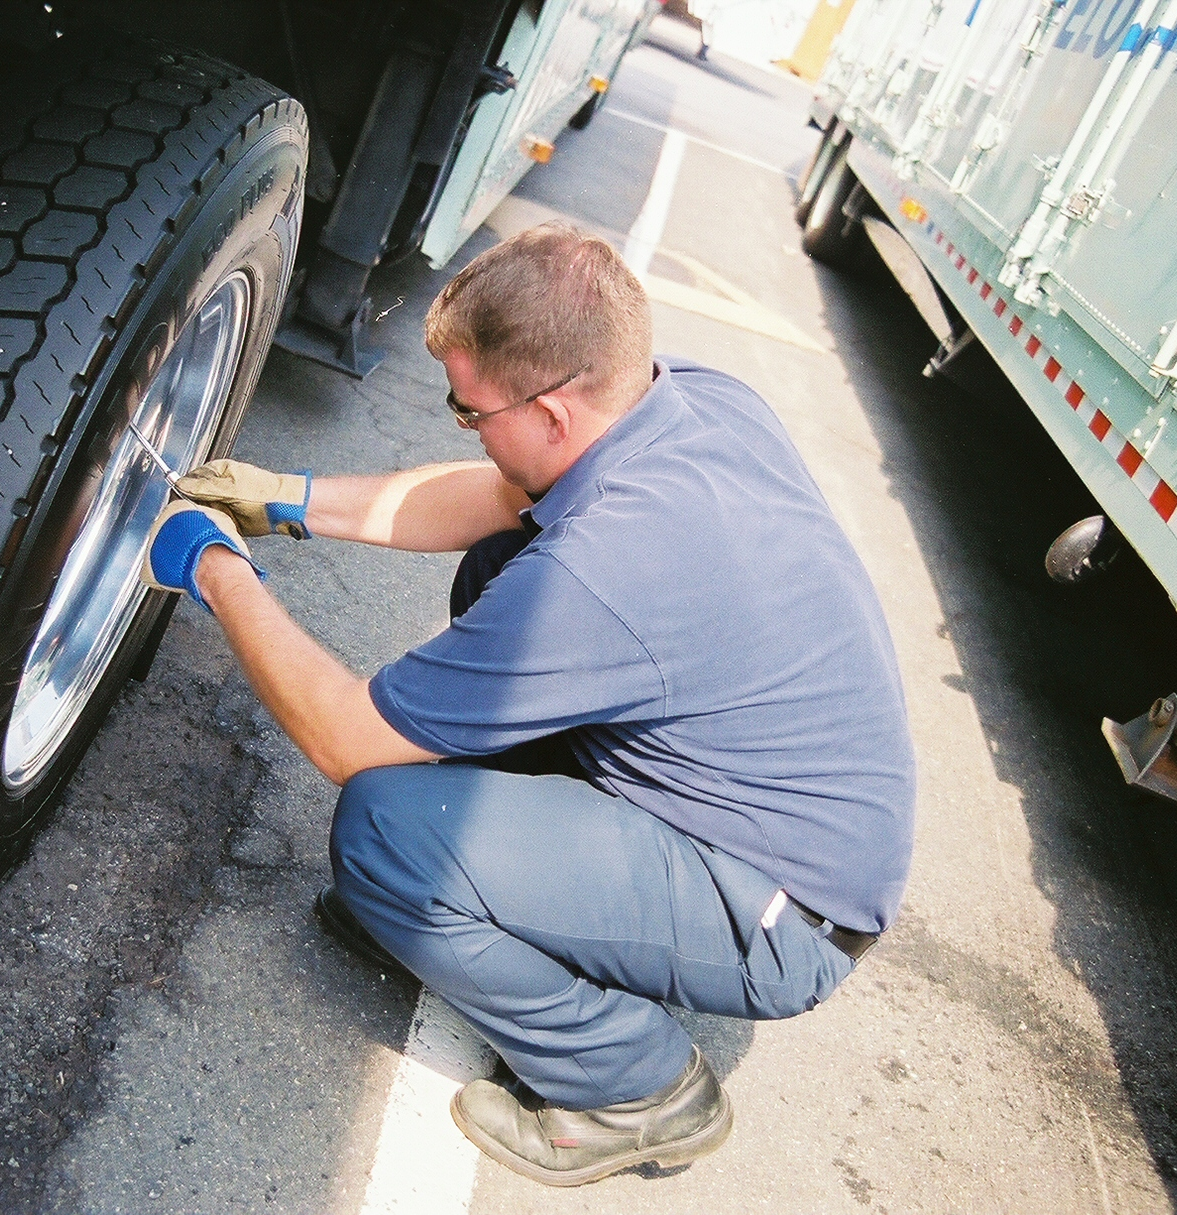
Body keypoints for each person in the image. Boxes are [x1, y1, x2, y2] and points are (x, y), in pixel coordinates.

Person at [138, 223, 915, 1187]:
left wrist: (217, 568)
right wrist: (291, 496)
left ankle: (640, 1085)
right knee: (500, 563)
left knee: (386, 833)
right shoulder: (692, 403)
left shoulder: (601, 576)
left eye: (470, 411)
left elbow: (342, 737)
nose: (462, 427)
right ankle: (486, 904)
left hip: (784, 912)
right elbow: (498, 498)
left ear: (553, 411)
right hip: (771, 810)